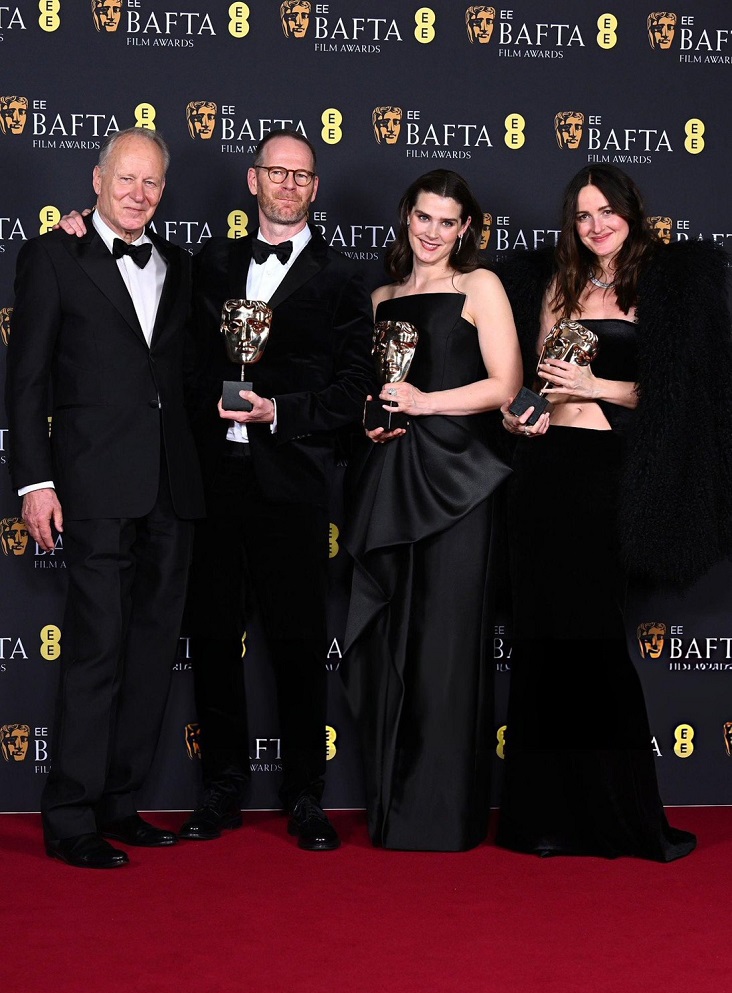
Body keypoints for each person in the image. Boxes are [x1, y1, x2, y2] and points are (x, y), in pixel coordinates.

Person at [495, 163, 732, 861]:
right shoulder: (554, 284)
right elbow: (533, 383)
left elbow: (682, 395)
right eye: (583, 215)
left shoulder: (665, 284)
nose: (596, 226)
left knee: (594, 642)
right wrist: (519, 416)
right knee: (541, 642)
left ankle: (620, 819)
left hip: (605, 474)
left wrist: (596, 384)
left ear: (632, 211)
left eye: (607, 212)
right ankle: (542, 820)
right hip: (541, 473)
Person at [5, 127, 205, 869]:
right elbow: (26, 379)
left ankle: (121, 802)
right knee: (94, 649)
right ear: (96, 179)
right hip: (91, 486)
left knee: (151, 653)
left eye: (151, 182)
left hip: (171, 489)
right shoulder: (54, 255)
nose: (138, 194)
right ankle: (70, 815)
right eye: (126, 178)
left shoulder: (180, 265)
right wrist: (35, 482)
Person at [180, 128, 375, 850]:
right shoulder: (210, 262)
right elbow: (182, 360)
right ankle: (221, 787)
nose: (288, 184)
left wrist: (279, 412)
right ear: (253, 180)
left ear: (314, 188)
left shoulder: (343, 277)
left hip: (291, 482)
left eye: (301, 175)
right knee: (211, 636)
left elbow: (353, 387)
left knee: (297, 642)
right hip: (213, 482)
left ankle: (304, 794)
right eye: (277, 171)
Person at [341, 169, 522, 851]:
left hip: (460, 484)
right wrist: (375, 419)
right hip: (392, 478)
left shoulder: (481, 286)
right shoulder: (381, 298)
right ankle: (393, 808)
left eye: (448, 222)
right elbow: (376, 391)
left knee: (446, 648)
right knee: (394, 642)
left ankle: (443, 816)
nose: (433, 233)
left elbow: (506, 385)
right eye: (424, 217)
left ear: (466, 228)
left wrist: (423, 403)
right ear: (406, 216)